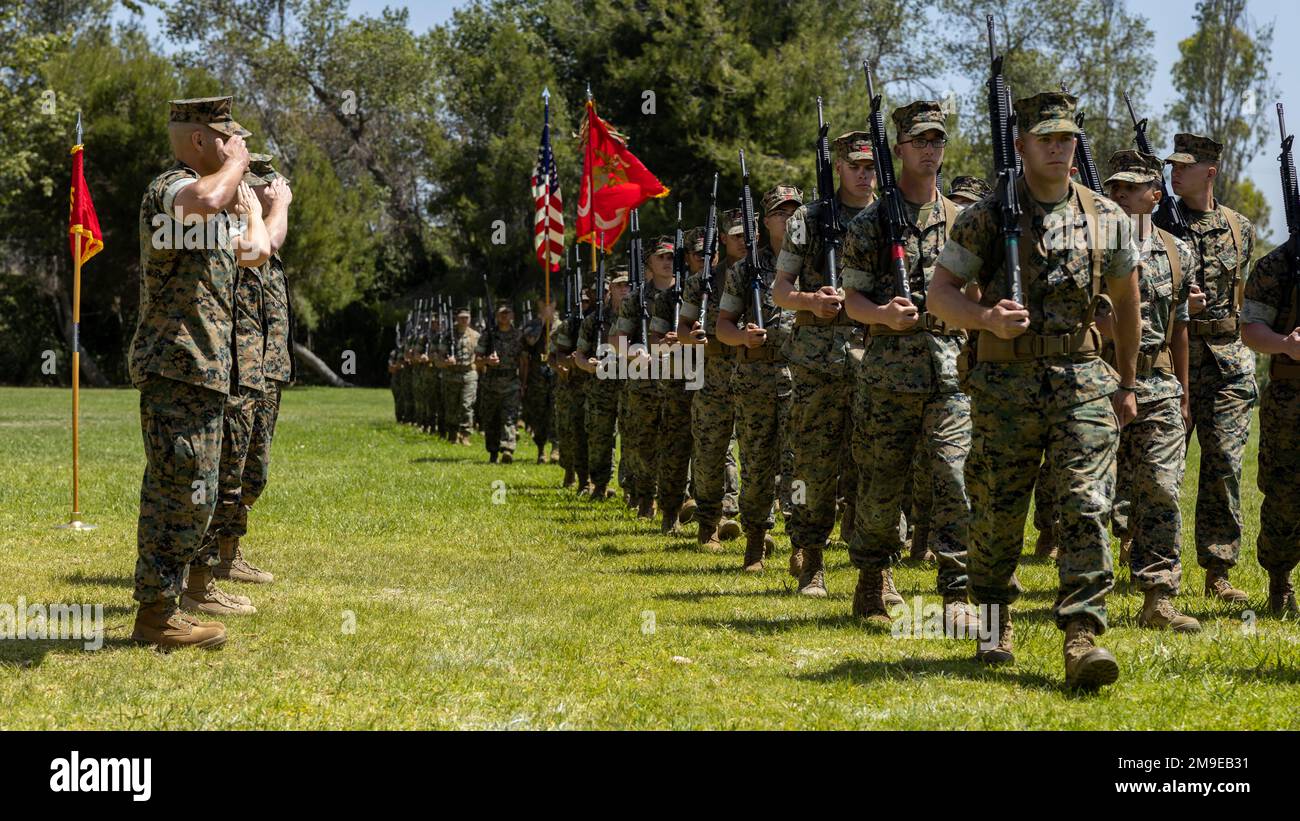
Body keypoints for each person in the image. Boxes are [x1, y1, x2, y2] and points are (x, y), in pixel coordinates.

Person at [927, 91, 1141, 690]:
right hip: (1004, 385)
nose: (1057, 147)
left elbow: (1127, 304)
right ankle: (993, 620)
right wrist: (986, 320)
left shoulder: (1106, 217)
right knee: (997, 509)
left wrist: (1128, 382)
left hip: (1082, 382)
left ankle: (1081, 636)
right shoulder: (988, 215)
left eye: (1066, 138)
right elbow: (939, 293)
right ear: (1020, 146)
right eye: (1045, 138)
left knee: (1087, 504)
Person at [128, 96, 270, 650]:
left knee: (198, 495)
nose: (240, 147)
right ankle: (156, 615)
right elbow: (206, 196)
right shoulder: (171, 190)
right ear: (198, 140)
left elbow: (257, 250)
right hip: (175, 368)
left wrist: (251, 199)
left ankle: (167, 607)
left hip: (204, 373)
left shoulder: (210, 213)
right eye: (228, 138)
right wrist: (235, 168)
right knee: (176, 491)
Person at [841, 101, 975, 632]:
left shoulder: (965, 222)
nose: (929, 149)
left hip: (950, 376)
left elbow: (977, 289)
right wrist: (883, 315)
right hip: (888, 375)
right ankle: (872, 578)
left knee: (954, 476)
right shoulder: (872, 221)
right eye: (919, 140)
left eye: (936, 140)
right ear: (898, 149)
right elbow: (850, 300)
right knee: (880, 485)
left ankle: (957, 590)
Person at [1100, 149, 1200, 632]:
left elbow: (1180, 325)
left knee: (1161, 487)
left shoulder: (1177, 251)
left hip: (1158, 381)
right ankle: (1085, 594)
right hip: (1097, 381)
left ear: (1154, 196)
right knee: (1092, 494)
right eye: (1113, 187)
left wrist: (1183, 390)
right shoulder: (1087, 246)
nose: (1119, 195)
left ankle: (1158, 597)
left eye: (1130, 188)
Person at [774, 131, 875, 594]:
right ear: (838, 166)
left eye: (871, 165)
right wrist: (811, 302)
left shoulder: (888, 216)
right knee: (816, 466)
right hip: (819, 362)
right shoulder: (808, 220)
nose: (863, 173)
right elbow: (780, 291)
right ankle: (812, 557)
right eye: (854, 165)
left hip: (877, 359)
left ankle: (876, 568)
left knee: (875, 465)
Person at [1168, 132, 1257, 605]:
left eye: (1184, 166)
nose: (1174, 173)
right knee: (1162, 468)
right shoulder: (1158, 221)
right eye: (1172, 165)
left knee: (1222, 463)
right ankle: (1154, 561)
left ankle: (1218, 569)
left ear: (1210, 171)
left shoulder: (1239, 227)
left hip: (1227, 362)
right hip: (1174, 359)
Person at [715, 185, 799, 572]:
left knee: (799, 465)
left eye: (795, 211)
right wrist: (743, 339)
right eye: (781, 213)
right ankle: (754, 542)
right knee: (756, 464)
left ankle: (802, 543)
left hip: (801, 378)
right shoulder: (744, 269)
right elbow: (722, 328)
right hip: (756, 379)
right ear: (765, 222)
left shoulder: (815, 264)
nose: (789, 218)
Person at [222, 154, 293, 588]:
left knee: (254, 471)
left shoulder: (255, 226)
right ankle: (212, 559)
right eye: (267, 182)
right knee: (230, 468)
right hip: (237, 370)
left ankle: (229, 551)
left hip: (265, 370)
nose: (277, 188)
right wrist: (277, 207)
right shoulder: (233, 229)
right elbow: (268, 241)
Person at [1239, 220, 1300, 616]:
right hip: (1290, 398)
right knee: (1285, 495)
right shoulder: (1277, 265)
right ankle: (1279, 581)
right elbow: (1250, 329)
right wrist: (1285, 346)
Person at [677, 224, 741, 551]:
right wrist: (693, 337)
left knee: (762, 451)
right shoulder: (700, 282)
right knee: (710, 449)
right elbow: (682, 328)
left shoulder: (763, 273)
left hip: (754, 368)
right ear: (725, 240)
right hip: (713, 370)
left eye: (749, 234)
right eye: (737, 235)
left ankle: (747, 517)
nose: (745, 240)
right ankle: (708, 522)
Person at [576, 272, 632, 500]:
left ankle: (632, 489)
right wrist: (588, 366)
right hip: (601, 388)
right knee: (599, 437)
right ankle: (599, 484)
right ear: (610, 290)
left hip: (630, 385)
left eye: (627, 285)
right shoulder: (594, 320)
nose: (624, 289)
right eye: (618, 286)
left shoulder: (639, 317)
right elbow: (579, 356)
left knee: (632, 437)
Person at [476, 302, 527, 463]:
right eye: (502, 313)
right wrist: (487, 361)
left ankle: (507, 449)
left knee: (509, 417)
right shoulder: (488, 335)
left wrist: (523, 382)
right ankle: (493, 451)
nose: (505, 316)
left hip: (511, 382)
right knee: (491, 418)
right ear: (497, 316)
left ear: (512, 315)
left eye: (508, 313)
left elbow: (524, 361)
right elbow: (476, 361)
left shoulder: (519, 335)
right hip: (491, 383)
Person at [439, 308, 479, 445]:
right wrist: (446, 362)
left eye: (466, 317)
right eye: (461, 317)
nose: (464, 320)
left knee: (467, 405)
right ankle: (452, 432)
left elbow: (481, 355)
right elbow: (438, 357)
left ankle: (465, 434)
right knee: (452, 405)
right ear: (456, 318)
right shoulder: (448, 335)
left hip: (469, 374)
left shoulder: (475, 336)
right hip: (451, 374)